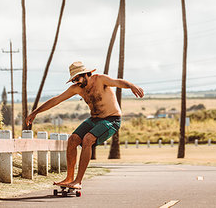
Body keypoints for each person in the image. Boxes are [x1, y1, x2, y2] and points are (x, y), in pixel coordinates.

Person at [26, 61, 144, 189]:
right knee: (72, 140)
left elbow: (118, 82)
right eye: (73, 80)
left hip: (112, 119)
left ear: (85, 74)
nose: (76, 82)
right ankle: (69, 178)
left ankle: (78, 181)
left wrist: (131, 85)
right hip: (94, 119)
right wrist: (35, 112)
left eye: (77, 79)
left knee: (88, 139)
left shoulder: (100, 80)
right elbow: (56, 100)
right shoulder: (77, 88)